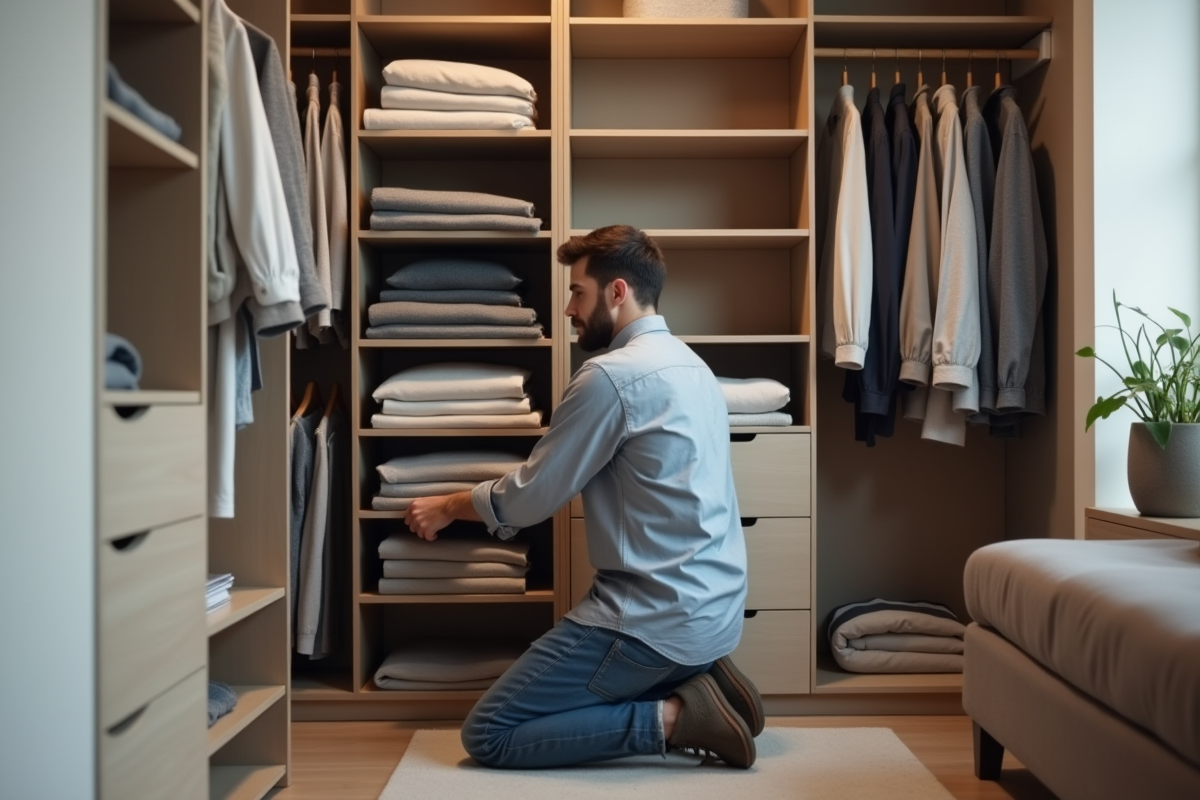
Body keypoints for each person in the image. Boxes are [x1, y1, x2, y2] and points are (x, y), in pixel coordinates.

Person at [403, 225, 763, 770]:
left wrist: (448, 505)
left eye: (577, 292)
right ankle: (700, 680)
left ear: (617, 292)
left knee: (491, 734)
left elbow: (529, 499)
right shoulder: (696, 366)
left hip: (651, 623)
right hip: (717, 612)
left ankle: (676, 717)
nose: (569, 308)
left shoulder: (610, 377)